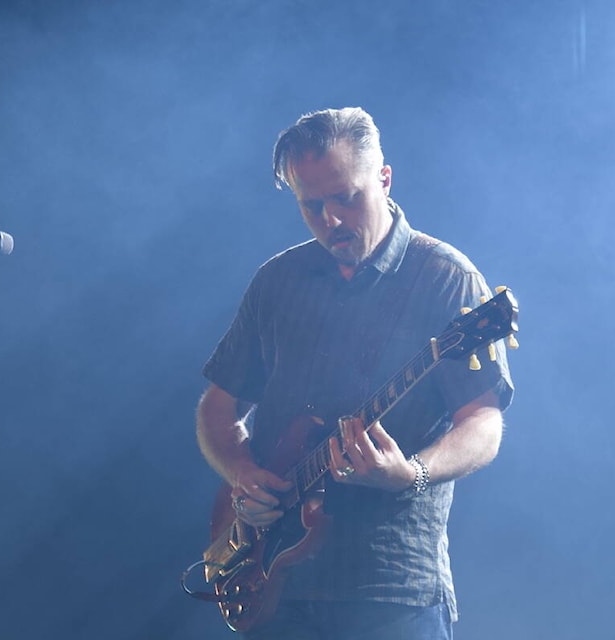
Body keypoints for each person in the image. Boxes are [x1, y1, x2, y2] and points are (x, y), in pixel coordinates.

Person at [195, 106, 514, 640]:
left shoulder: (446, 278)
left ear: (384, 178)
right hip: (277, 587)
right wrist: (241, 473)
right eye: (311, 205)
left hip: (390, 589)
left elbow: (482, 422)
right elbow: (218, 405)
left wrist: (409, 472)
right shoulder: (278, 280)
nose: (332, 220)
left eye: (347, 197)